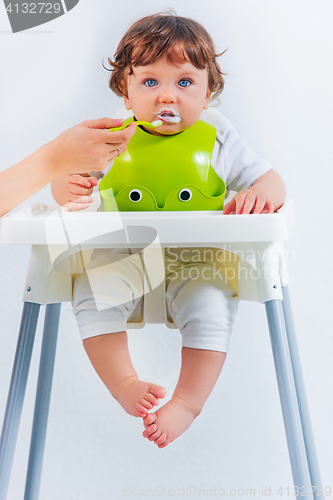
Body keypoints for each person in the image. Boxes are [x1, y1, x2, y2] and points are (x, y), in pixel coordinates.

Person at [52, 13, 286, 448]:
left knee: (212, 307)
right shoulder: (111, 136)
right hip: (126, 259)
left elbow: (273, 182)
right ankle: (124, 383)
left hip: (199, 262)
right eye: (149, 83)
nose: (167, 97)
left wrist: (259, 194)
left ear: (208, 91)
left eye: (184, 83)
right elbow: (65, 179)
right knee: (89, 292)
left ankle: (186, 404)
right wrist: (65, 184)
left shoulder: (218, 133)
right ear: (125, 90)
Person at [0, 117, 136, 217]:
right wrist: (70, 191)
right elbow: (64, 177)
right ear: (126, 95)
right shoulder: (115, 145)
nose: (159, 97)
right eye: (150, 83)